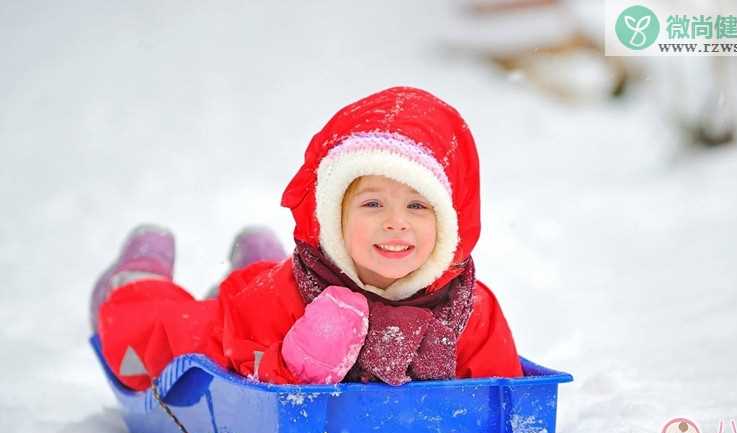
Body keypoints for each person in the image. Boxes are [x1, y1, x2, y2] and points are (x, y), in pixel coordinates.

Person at [92, 86, 523, 391]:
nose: (396, 223)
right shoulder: (290, 292)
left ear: (448, 223)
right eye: (372, 204)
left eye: (417, 206)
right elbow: (243, 384)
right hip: (238, 320)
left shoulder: (468, 307)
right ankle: (136, 278)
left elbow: (501, 387)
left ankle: (254, 257)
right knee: (154, 340)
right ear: (334, 217)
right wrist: (303, 362)